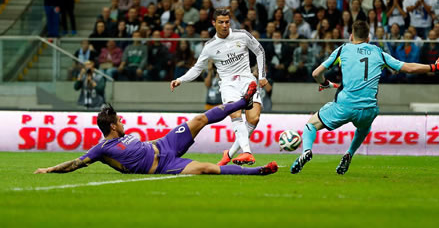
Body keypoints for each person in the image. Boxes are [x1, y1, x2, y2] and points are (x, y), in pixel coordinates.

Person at [290, 20, 439, 175]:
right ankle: (349, 154)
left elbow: (316, 73)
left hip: (345, 105)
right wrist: (434, 66)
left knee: (311, 125)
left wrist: (325, 82)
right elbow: (409, 68)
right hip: (369, 109)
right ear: (368, 38)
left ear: (351, 36)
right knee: (363, 128)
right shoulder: (379, 52)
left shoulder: (343, 49)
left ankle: (306, 150)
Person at [35, 82, 278, 176]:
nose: (123, 123)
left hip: (164, 144)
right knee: (206, 168)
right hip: (163, 165)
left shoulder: (125, 137)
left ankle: (242, 102)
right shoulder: (101, 149)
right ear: (111, 126)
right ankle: (258, 171)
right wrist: (49, 169)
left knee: (198, 120)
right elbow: (76, 163)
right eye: (119, 121)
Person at [170, 8, 268, 166]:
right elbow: (197, 68)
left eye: (227, 22)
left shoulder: (242, 35)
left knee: (254, 119)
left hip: (247, 80)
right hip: (228, 84)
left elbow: (259, 51)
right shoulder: (210, 46)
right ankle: (247, 153)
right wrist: (180, 79)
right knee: (235, 114)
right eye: (221, 22)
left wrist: (262, 76)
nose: (224, 25)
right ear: (213, 23)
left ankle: (229, 153)